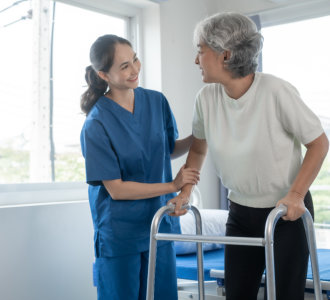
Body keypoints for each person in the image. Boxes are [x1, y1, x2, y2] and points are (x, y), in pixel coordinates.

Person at [169, 12, 329, 300]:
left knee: (286, 295)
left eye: (200, 51)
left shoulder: (276, 91)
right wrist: (186, 191)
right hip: (240, 212)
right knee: (238, 294)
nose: (195, 60)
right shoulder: (206, 98)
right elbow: (199, 148)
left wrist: (295, 194)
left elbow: (319, 143)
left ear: (225, 55)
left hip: (286, 213)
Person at [80, 34, 199, 300]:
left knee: (163, 295)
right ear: (104, 75)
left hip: (159, 223)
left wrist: (198, 137)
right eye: (124, 66)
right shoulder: (96, 123)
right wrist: (172, 186)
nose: (134, 69)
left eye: (134, 59)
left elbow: (167, 149)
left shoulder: (156, 101)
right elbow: (117, 190)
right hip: (120, 233)